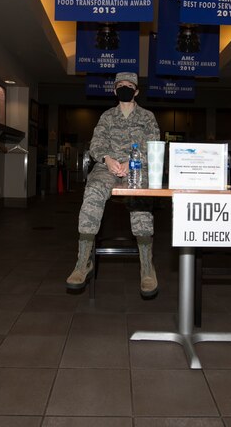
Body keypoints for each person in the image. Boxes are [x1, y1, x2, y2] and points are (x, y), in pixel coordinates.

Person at [66, 71, 161, 297]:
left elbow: (154, 145)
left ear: (136, 91)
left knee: (141, 201)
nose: (125, 88)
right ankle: (83, 263)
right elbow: (96, 143)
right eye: (121, 85)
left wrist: (133, 160)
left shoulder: (147, 117)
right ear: (114, 90)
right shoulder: (107, 117)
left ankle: (147, 268)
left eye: (130, 85)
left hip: (136, 168)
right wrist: (107, 159)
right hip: (106, 168)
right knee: (93, 193)